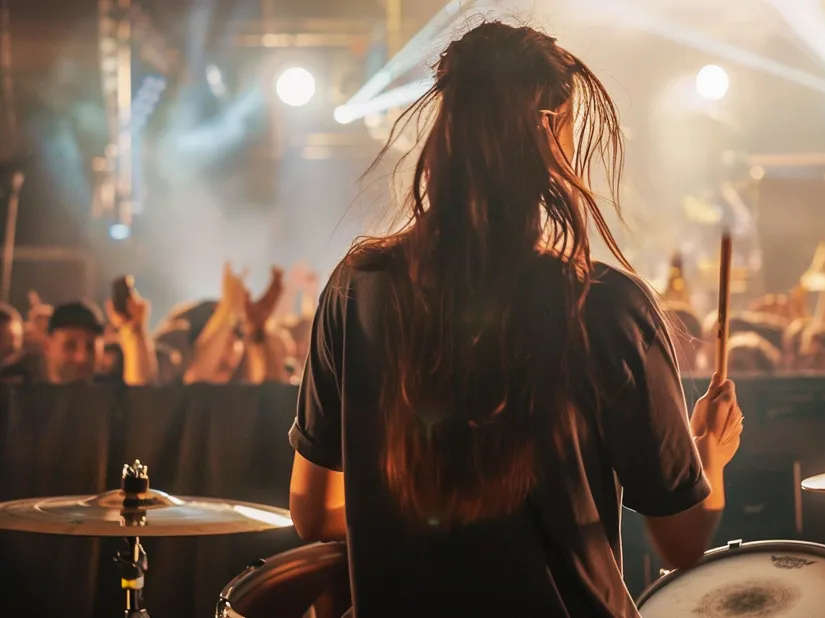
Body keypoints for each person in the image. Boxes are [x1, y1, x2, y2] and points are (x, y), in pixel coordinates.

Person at [288, 22, 743, 618]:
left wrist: (427, 519)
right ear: (550, 129)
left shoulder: (358, 286)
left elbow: (313, 512)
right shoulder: (607, 307)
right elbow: (681, 543)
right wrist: (709, 452)